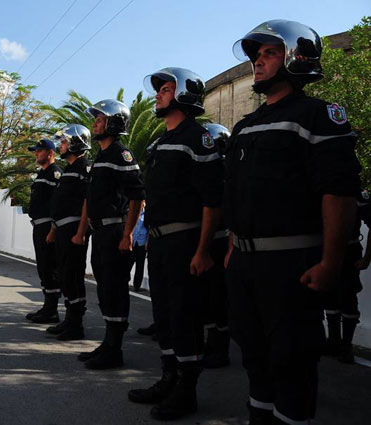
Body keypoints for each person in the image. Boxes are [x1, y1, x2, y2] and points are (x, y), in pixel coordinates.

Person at [224, 20, 360, 425]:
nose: (258, 63)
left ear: (295, 58)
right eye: (255, 56)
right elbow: (236, 196)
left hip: (292, 266)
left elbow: (338, 193)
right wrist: (233, 250)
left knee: (292, 361)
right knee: (253, 355)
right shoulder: (244, 126)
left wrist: (330, 262)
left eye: (269, 53)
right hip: (246, 266)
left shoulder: (319, 115)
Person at [128, 68, 223, 421]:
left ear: (182, 95)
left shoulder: (198, 139)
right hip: (160, 242)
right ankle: (168, 378)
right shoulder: (159, 142)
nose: (158, 95)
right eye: (159, 90)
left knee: (185, 316)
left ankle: (187, 390)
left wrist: (202, 251)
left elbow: (212, 201)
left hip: (186, 241)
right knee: (164, 316)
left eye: (166, 90)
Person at [73, 99, 144, 370]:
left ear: (114, 123)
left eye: (100, 119)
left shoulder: (120, 154)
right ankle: (107, 342)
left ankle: (115, 349)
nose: (94, 123)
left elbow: (137, 196)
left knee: (114, 289)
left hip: (116, 230)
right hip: (100, 232)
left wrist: (128, 234)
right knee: (103, 288)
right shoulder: (101, 156)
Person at [46, 124, 92, 340]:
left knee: (73, 276)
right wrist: (54, 230)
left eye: (64, 142)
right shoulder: (70, 169)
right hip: (63, 229)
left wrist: (81, 232)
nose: (61, 146)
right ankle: (69, 320)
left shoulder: (84, 167)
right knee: (65, 275)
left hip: (74, 229)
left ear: (74, 143)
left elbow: (87, 201)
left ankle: (76, 325)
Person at [322, 188, 370, 363]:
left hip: (349, 252)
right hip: (326, 250)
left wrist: (366, 258)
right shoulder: (322, 189)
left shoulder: (356, 193)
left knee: (348, 298)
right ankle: (333, 342)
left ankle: (346, 346)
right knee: (329, 297)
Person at [200, 123, 232, 370]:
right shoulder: (208, 169)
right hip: (206, 237)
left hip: (221, 239)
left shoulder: (226, 170)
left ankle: (220, 347)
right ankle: (210, 341)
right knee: (206, 297)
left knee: (217, 296)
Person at [25, 137, 63, 323]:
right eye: (36, 151)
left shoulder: (55, 174)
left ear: (50, 153)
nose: (36, 154)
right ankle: (47, 307)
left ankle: (52, 310)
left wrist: (53, 230)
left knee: (50, 268)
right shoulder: (42, 174)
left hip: (49, 226)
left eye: (39, 151)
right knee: (43, 268)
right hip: (39, 226)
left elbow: (58, 205)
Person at [129, 201, 148, 292]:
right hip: (132, 241)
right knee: (129, 262)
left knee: (140, 265)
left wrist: (147, 242)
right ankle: (124, 280)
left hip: (141, 242)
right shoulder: (131, 213)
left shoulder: (146, 215)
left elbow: (149, 229)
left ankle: (137, 285)